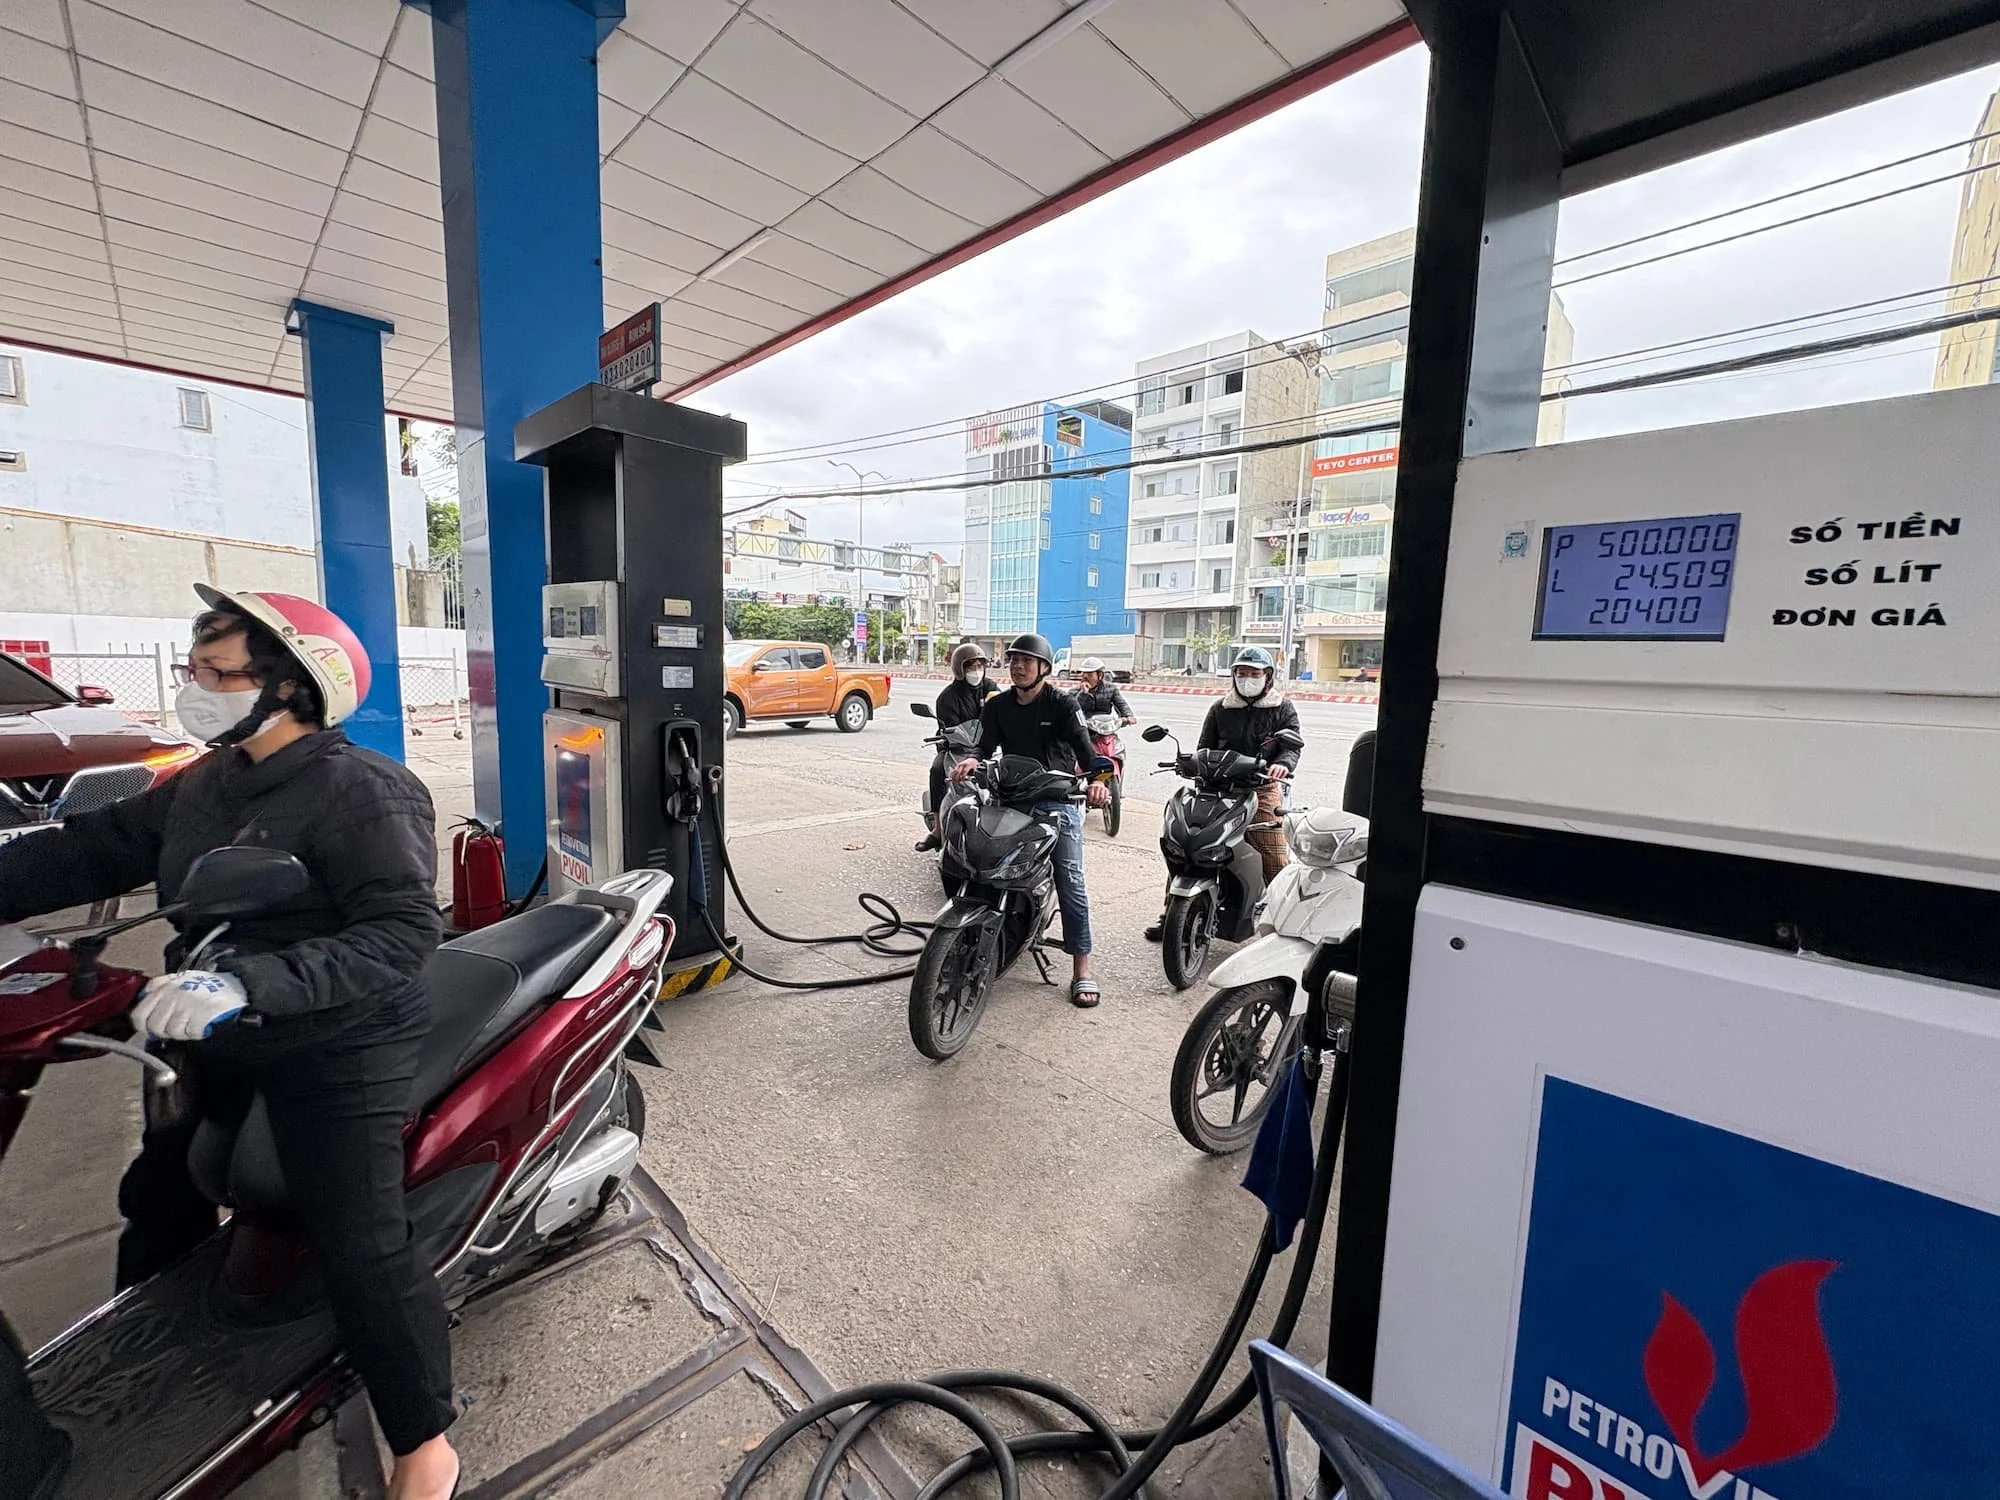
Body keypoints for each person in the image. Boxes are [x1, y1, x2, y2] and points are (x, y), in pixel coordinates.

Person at [0, 587, 459, 1500]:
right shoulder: (207, 783)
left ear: (288, 688)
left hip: (336, 1038)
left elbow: (402, 934)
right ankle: (144, 1362)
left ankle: (424, 1444)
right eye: (193, 668)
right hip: (207, 1023)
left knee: (358, 1239)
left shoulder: (365, 792)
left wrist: (254, 983)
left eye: (216, 673)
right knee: (157, 1194)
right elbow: (88, 851)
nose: (194, 688)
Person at [949, 633, 1110, 1007]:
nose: (1018, 666)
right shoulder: (998, 705)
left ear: (1043, 668)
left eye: (1026, 660)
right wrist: (973, 759)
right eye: (1014, 660)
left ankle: (1082, 968)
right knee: (972, 858)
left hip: (1057, 802)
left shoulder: (1063, 704)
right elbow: (984, 747)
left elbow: (1087, 754)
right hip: (1010, 798)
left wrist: (1099, 782)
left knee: (1070, 879)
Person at [1145, 646, 1303, 942]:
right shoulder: (1221, 708)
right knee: (1188, 846)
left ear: (1267, 676)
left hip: (1260, 787)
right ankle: (1172, 913)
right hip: (1217, 787)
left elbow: (1291, 747)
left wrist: (1282, 764)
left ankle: (1285, 920)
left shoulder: (1282, 708)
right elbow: (1204, 745)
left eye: (1254, 673)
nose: (1247, 678)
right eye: (1241, 673)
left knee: (1273, 855)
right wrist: (1192, 764)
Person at [916, 642, 998, 852]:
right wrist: (951, 738)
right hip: (957, 747)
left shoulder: (989, 687)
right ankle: (938, 830)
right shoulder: (948, 697)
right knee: (937, 770)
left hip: (987, 747)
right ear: (959, 669)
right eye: (970, 666)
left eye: (980, 665)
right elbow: (951, 727)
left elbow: (1001, 711)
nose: (976, 671)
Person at [1072, 657, 1137, 727]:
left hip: (1105, 726)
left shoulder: (1111, 688)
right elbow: (1072, 709)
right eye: (1084, 675)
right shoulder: (1075, 691)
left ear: (1100, 675)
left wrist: (1128, 716)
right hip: (1084, 727)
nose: (1086, 678)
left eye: (1090, 675)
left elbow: (1121, 704)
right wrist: (1083, 693)